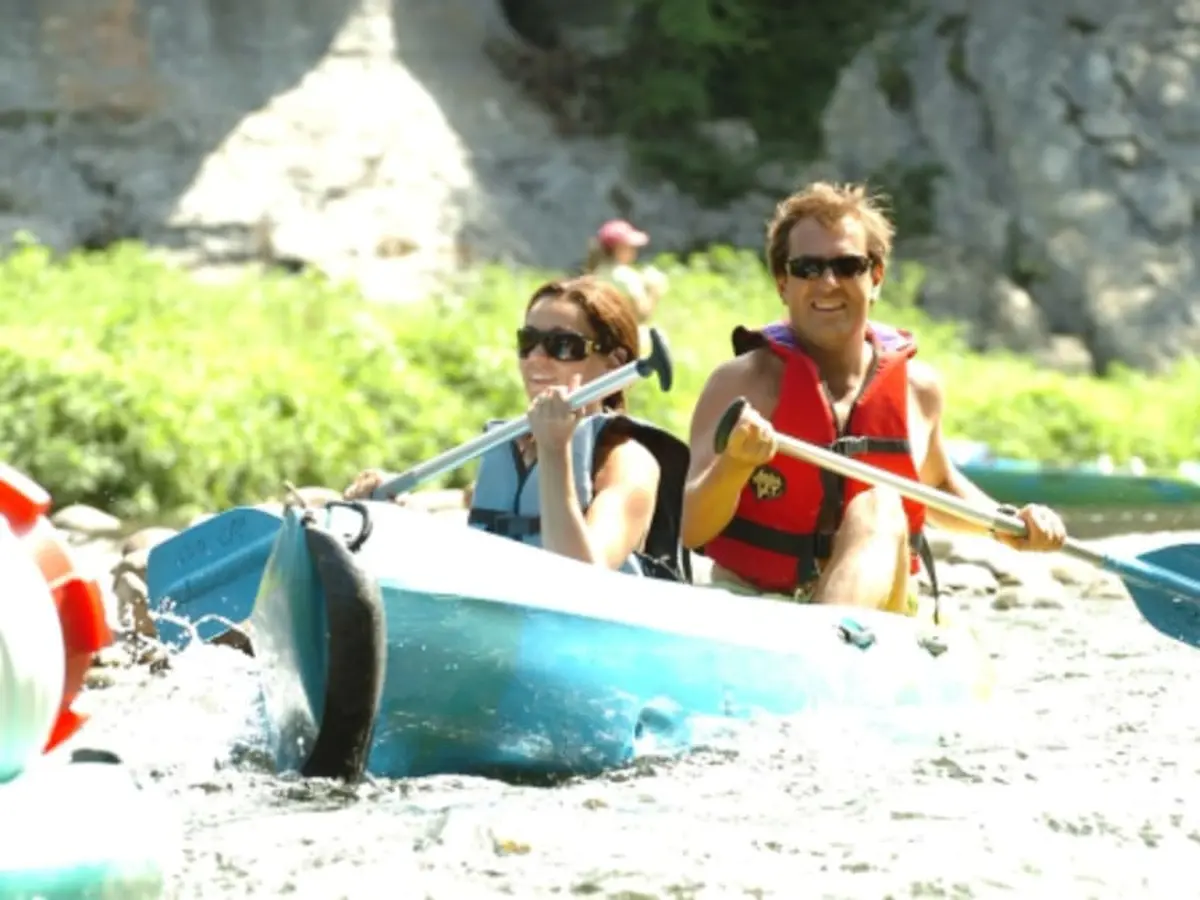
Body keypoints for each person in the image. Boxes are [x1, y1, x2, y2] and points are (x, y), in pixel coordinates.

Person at [679, 181, 1067, 619]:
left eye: (847, 266)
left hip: (878, 615)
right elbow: (692, 528)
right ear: (783, 284)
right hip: (756, 605)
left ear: (875, 278)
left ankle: (824, 641)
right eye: (807, 268)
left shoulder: (918, 390)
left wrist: (1010, 524)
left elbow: (938, 486)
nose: (827, 283)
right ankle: (819, 643)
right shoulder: (740, 385)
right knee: (880, 503)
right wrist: (734, 466)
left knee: (881, 504)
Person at [345, 276, 692, 582]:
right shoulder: (518, 446)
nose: (536, 359)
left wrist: (555, 451)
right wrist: (397, 508)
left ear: (614, 364)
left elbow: (586, 580)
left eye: (563, 345)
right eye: (528, 342)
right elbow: (481, 530)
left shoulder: (628, 461)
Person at [584, 219, 669, 323]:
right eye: (630, 247)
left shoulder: (596, 273)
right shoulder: (626, 277)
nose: (634, 251)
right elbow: (642, 315)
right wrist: (654, 291)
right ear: (619, 248)